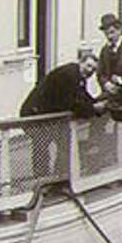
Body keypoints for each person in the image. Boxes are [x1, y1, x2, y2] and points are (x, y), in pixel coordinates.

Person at [20, 47, 103, 179]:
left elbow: (82, 96)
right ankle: (43, 180)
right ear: (80, 62)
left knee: (64, 143)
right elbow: (73, 102)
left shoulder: (78, 76)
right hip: (35, 114)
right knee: (42, 145)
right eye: (88, 66)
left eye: (93, 69)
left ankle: (59, 176)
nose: (90, 71)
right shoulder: (70, 75)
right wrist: (93, 109)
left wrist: (94, 103)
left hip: (49, 116)